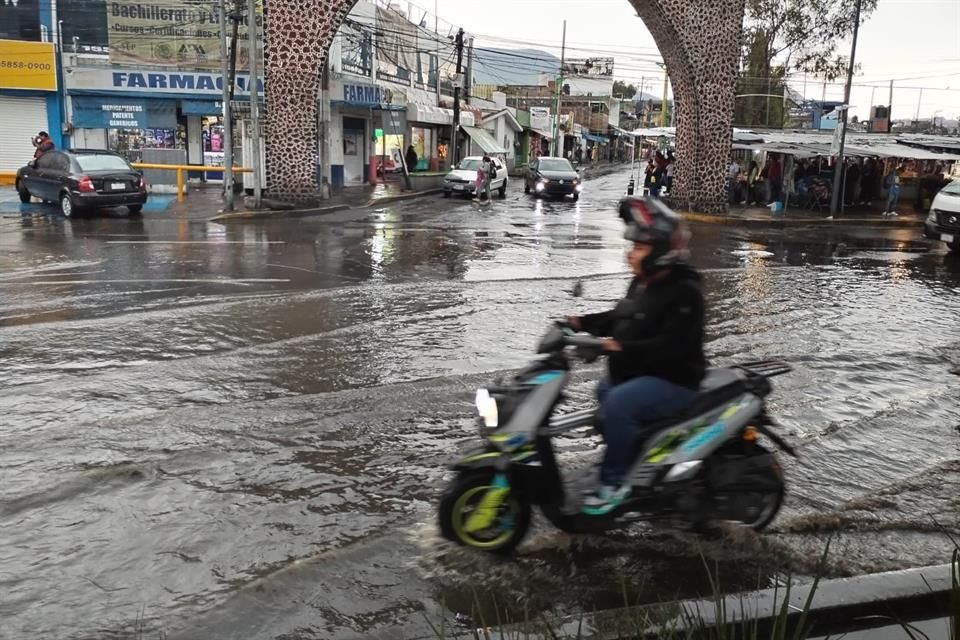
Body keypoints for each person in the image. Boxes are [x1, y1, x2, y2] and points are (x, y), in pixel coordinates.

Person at [568, 197, 706, 515]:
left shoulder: (686, 292)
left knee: (619, 403)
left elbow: (671, 348)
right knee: (604, 390)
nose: (632, 254)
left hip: (676, 381)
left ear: (660, 252)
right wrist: (577, 323)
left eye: (641, 248)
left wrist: (616, 346)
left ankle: (615, 485)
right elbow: (621, 316)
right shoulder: (644, 284)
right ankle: (630, 455)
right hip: (646, 373)